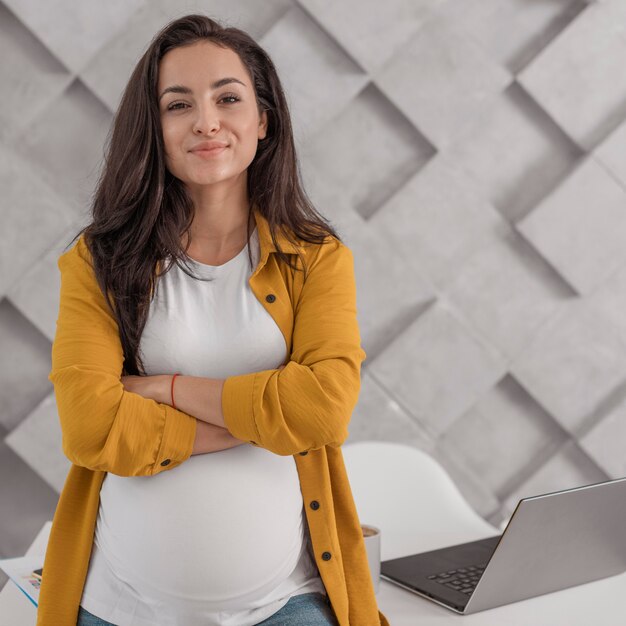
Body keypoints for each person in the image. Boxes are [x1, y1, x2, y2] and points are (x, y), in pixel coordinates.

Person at [37, 13, 389, 626]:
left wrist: (165, 390)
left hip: (288, 600)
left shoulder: (317, 258)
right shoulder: (99, 261)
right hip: (121, 605)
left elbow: (323, 409)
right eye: (178, 105)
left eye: (228, 97)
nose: (206, 122)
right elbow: (91, 425)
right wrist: (254, 422)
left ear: (262, 121)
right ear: (155, 128)